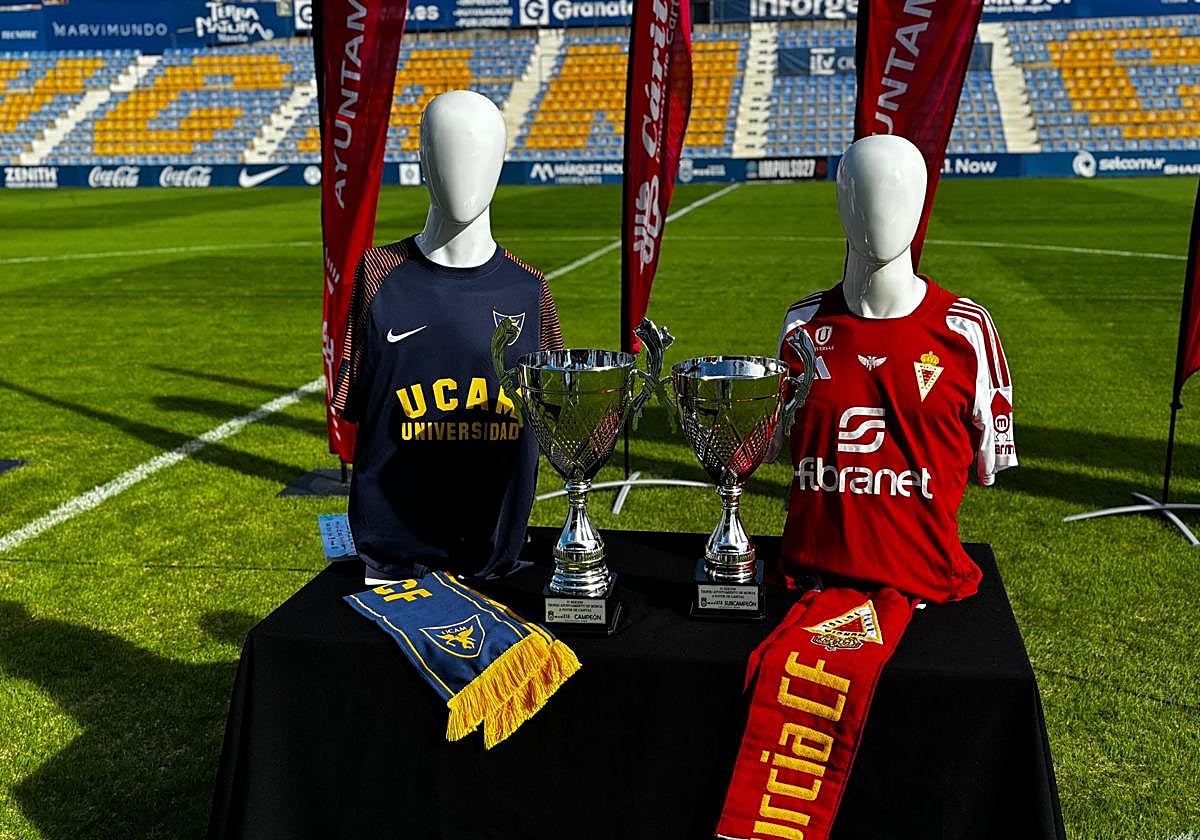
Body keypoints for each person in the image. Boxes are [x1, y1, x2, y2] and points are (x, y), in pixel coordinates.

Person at [332, 90, 564, 584]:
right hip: (392, 562)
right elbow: (351, 402)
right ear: (423, 160)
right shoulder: (377, 276)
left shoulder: (530, 290)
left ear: (501, 163)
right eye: (446, 151)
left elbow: (558, 423)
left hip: (495, 560)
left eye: (479, 153)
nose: (464, 170)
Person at [776, 134, 1016, 603]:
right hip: (808, 584)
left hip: (927, 588)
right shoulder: (802, 325)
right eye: (861, 192)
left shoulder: (966, 330)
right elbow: (769, 447)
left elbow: (990, 462)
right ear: (842, 203)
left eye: (899, 192)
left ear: (922, 204)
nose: (880, 208)